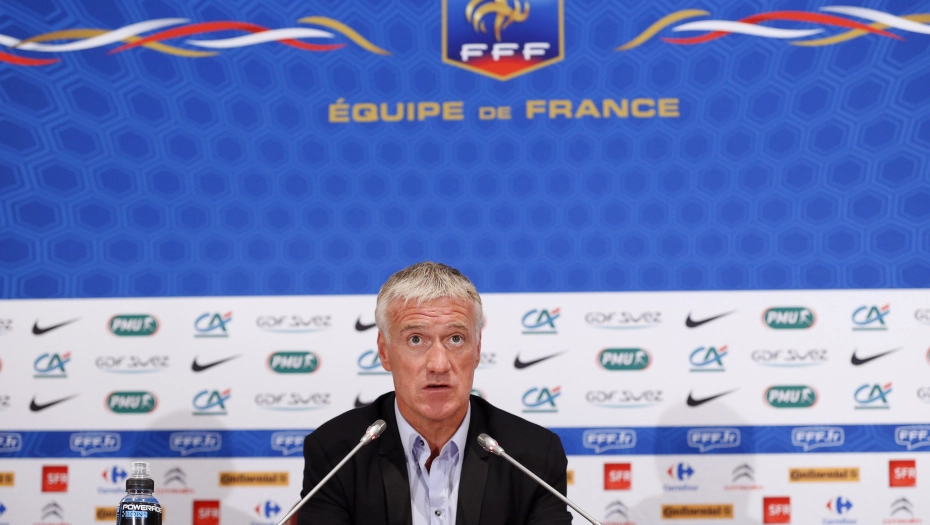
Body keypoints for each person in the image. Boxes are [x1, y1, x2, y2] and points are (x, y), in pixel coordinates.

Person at [298, 262, 572, 525]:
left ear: (477, 350)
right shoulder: (337, 453)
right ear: (384, 351)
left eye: (456, 338)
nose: (439, 365)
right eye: (416, 339)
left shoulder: (533, 456)